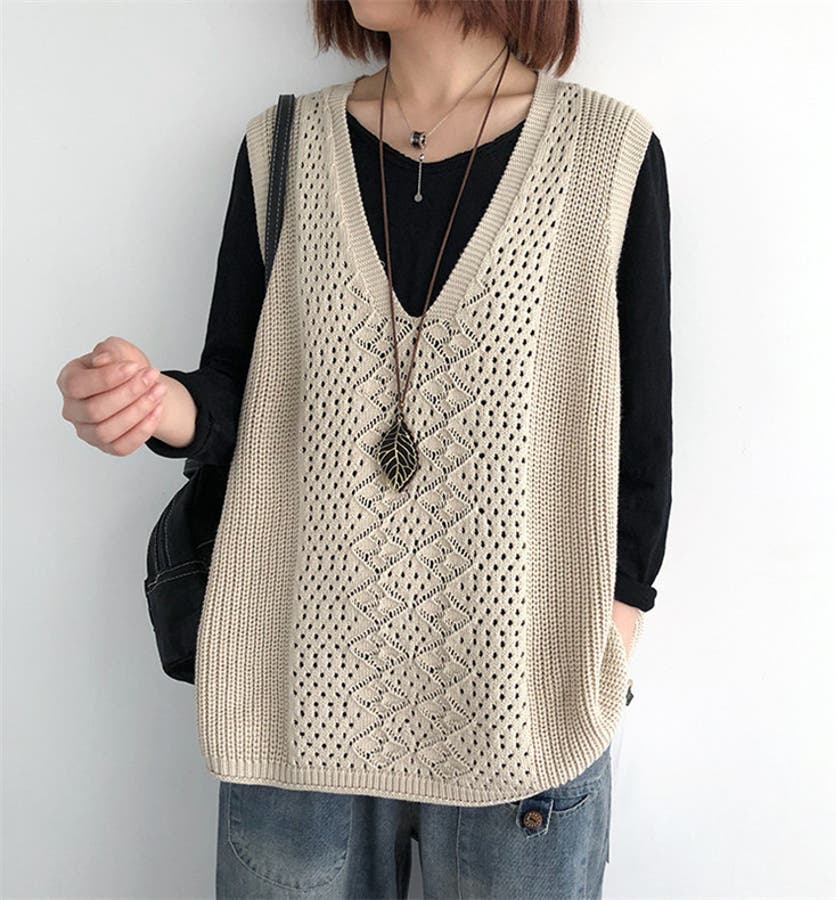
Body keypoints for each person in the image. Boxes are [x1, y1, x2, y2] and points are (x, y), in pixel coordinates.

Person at [56, 0, 672, 895]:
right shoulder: (283, 148)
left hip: (522, 708)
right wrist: (153, 405)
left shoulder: (606, 157)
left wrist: (607, 645)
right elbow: (239, 391)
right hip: (298, 703)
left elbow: (641, 445)